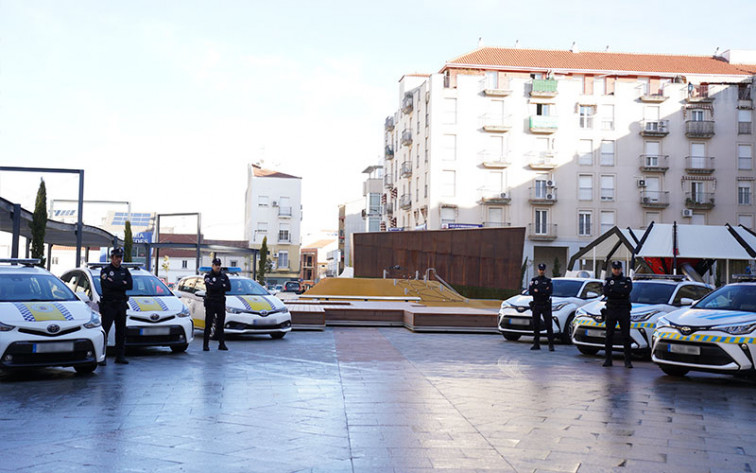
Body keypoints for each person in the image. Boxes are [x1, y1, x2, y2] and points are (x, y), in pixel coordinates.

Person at [100, 247, 133, 365]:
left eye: (120, 257)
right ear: (112, 258)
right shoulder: (105, 271)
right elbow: (108, 285)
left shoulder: (125, 271)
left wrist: (116, 283)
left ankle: (120, 356)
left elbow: (129, 285)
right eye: (117, 257)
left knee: (121, 332)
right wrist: (121, 283)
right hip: (109, 305)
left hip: (121, 304)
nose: (119, 259)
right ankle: (102, 356)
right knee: (105, 331)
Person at [602, 261, 633, 368]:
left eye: (618, 268)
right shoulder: (608, 280)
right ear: (612, 269)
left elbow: (627, 291)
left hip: (623, 310)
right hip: (611, 310)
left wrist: (614, 290)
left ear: (621, 269)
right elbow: (606, 292)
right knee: (609, 336)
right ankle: (608, 360)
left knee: (625, 336)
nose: (616, 270)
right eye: (615, 269)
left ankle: (627, 361)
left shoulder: (627, 280)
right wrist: (620, 291)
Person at [203, 258, 231, 351]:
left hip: (220, 302)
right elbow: (210, 287)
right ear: (213, 266)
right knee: (208, 324)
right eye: (216, 265)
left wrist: (217, 285)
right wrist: (221, 286)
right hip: (211, 302)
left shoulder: (224, 276)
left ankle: (221, 344)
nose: (218, 266)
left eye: (219, 265)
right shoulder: (208, 276)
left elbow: (228, 287)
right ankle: (205, 345)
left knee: (220, 324)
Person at [529, 263, 554, 351]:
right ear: (538, 270)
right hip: (536, 305)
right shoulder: (534, 280)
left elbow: (550, 291)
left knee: (548, 325)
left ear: (545, 270)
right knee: (536, 325)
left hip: (545, 305)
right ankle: (536, 344)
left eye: (543, 270)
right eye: (540, 269)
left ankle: (551, 345)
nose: (541, 271)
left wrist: (538, 290)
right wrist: (543, 291)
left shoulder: (548, 281)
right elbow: (531, 291)